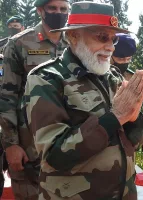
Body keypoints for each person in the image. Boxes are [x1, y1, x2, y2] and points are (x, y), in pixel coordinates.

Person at [23, 2, 143, 199]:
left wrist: (134, 118)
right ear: (74, 36)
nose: (110, 47)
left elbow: (135, 138)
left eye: (113, 39)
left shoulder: (112, 76)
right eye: (102, 37)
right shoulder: (47, 79)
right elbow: (55, 156)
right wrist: (115, 117)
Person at [0, 0, 69, 199]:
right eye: (53, 8)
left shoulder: (74, 42)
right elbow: (6, 97)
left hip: (68, 144)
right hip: (29, 146)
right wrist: (11, 145)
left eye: (63, 9)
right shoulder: (19, 43)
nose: (59, 13)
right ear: (40, 10)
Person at [111, 33, 143, 128]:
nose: (125, 62)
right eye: (120, 59)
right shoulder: (98, 75)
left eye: (128, 59)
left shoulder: (131, 77)